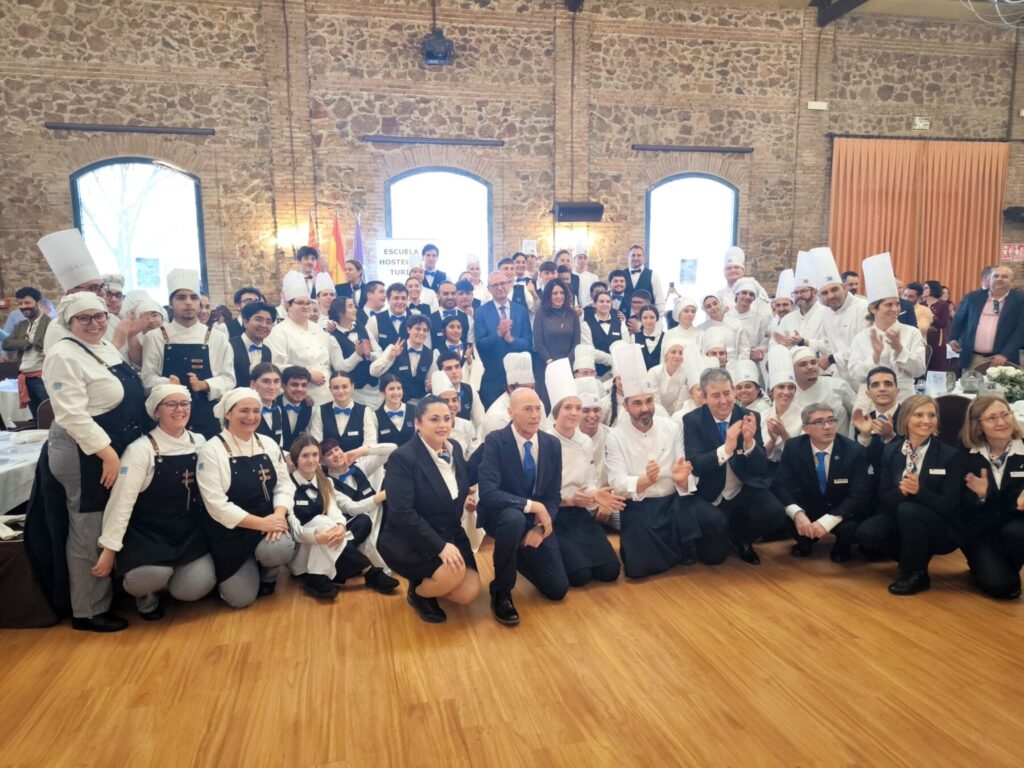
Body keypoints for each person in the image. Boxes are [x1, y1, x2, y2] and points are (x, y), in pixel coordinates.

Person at [42, 292, 152, 632]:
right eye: (84, 318)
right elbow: (72, 415)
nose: (95, 324)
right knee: (88, 524)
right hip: (83, 451)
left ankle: (109, 592)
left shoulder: (101, 346)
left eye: (100, 316)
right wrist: (106, 454)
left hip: (111, 446)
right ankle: (87, 610)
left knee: (108, 518)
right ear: (69, 323)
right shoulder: (62, 354)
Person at [605, 344, 727, 578]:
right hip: (641, 504)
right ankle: (678, 549)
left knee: (716, 523)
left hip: (675, 502)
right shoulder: (615, 436)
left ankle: (681, 548)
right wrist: (644, 480)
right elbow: (617, 481)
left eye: (648, 401)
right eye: (637, 403)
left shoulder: (671, 427)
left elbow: (684, 470)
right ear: (626, 405)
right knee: (637, 568)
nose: (645, 409)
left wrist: (683, 479)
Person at [94, 384, 215, 620]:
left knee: (194, 588)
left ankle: (173, 580)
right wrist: (109, 549)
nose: (179, 409)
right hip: (149, 535)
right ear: (156, 411)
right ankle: (147, 599)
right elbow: (121, 502)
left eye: (184, 404)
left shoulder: (200, 442)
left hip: (189, 533)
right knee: (147, 577)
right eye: (171, 404)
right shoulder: (141, 450)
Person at [377, 396, 480, 622]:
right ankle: (419, 593)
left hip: (450, 532)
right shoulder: (403, 458)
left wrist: (464, 500)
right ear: (418, 423)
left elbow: (453, 489)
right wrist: (440, 547)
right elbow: (402, 513)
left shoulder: (455, 448)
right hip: (409, 538)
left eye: (447, 418)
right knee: (453, 574)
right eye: (434, 419)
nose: (443, 424)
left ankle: (433, 581)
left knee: (469, 592)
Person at [473, 388, 569, 625]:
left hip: (535, 522)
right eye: (527, 409)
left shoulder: (551, 444)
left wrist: (540, 529)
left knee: (557, 589)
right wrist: (533, 506)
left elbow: (553, 495)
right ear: (511, 412)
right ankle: (501, 591)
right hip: (502, 516)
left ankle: (516, 553)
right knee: (513, 520)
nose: (535, 415)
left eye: (538, 408)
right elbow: (489, 493)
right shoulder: (495, 441)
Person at [196, 388, 297, 607]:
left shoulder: (268, 444)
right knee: (240, 600)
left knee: (279, 549)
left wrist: (278, 517)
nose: (251, 417)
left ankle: (267, 572)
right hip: (230, 531)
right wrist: (261, 523)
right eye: (244, 411)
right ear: (228, 414)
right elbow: (216, 504)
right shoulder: (212, 450)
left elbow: (284, 485)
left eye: (256, 411)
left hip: (267, 525)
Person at [856, 395, 964, 595]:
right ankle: (913, 555)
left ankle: (916, 573)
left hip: (940, 526)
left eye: (932, 415)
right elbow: (884, 497)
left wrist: (919, 492)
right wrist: (902, 491)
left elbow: (950, 506)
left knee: (909, 509)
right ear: (905, 418)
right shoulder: (891, 450)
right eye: (919, 415)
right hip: (902, 517)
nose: (927, 420)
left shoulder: (950, 455)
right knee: (867, 533)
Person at [682, 368, 788, 565]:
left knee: (774, 513)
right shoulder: (692, 420)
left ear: (734, 392)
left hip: (742, 488)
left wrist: (749, 444)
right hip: (710, 494)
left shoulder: (748, 415)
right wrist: (727, 447)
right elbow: (696, 464)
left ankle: (743, 539)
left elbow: (760, 468)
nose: (723, 401)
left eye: (727, 393)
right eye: (715, 395)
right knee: (713, 558)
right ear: (704, 397)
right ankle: (718, 534)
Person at [286, 435, 398, 599]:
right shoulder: (287, 485)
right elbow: (295, 530)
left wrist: (340, 526)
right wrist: (317, 537)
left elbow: (334, 512)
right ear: (296, 458)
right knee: (321, 521)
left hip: (325, 544)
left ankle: (317, 578)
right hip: (303, 549)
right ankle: (370, 572)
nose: (311, 460)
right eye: (305, 456)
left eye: (314, 455)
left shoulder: (325, 483)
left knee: (355, 521)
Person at [544, 361, 623, 588]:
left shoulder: (584, 441)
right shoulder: (544, 442)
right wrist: (569, 500)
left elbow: (589, 482)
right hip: (554, 515)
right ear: (556, 411)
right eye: (568, 407)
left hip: (579, 514)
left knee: (610, 571)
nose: (574, 413)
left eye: (577, 408)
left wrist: (595, 494)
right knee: (579, 576)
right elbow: (538, 493)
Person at [142, 269, 235, 438]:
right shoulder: (155, 337)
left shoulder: (217, 338)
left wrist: (205, 385)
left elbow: (229, 379)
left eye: (193, 297)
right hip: (168, 419)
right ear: (171, 303)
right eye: (181, 297)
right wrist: (168, 383)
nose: (188, 302)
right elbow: (147, 379)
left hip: (207, 417)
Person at [773, 403, 871, 562]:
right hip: (809, 507)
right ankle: (805, 541)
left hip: (841, 509)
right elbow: (780, 484)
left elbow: (860, 494)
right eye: (819, 422)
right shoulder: (794, 447)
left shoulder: (853, 450)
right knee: (782, 512)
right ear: (806, 428)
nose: (827, 427)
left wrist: (829, 520)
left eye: (831, 420)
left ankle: (842, 546)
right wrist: (797, 513)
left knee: (850, 527)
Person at [960, 395, 1024, 600]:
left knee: (1017, 532)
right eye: (992, 418)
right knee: (1002, 588)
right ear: (978, 425)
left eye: (1005, 415)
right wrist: (981, 497)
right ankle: (990, 568)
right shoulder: (965, 456)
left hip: (1014, 527)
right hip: (981, 531)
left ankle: (1005, 567)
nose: (1002, 422)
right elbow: (960, 506)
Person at [847, 254, 926, 405]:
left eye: (897, 304)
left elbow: (919, 371)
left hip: (903, 400)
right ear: (873, 309)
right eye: (889, 305)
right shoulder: (862, 337)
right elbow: (855, 375)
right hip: (869, 403)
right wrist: (875, 356)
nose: (895, 309)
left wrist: (899, 350)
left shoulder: (911, 333)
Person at [266, 271, 333, 405]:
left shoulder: (319, 330)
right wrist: (307, 374)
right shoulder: (278, 332)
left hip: (326, 395)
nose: (306, 306)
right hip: (298, 396)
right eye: (300, 303)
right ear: (288, 305)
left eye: (308, 303)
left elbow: (327, 363)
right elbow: (276, 366)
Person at [949, 264, 1024, 370]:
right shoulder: (972, 297)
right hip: (972, 359)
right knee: (969, 387)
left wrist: (1005, 354)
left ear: (1012, 280)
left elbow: (1021, 330)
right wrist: (953, 338)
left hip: (1003, 360)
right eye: (996, 276)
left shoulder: (1020, 300)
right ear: (990, 278)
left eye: (1004, 276)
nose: (999, 279)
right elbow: (959, 320)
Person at [812, 247, 868, 387]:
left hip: (864, 378)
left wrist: (832, 358)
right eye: (824, 293)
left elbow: (863, 346)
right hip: (840, 378)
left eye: (834, 289)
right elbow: (827, 344)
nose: (830, 296)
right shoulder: (826, 313)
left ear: (844, 287)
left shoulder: (863, 308)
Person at [476, 270, 533, 408]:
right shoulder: (481, 312)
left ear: (509, 285)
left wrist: (511, 339)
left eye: (502, 283)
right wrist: (498, 334)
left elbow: (528, 343)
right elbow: (481, 345)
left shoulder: (521, 311)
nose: (499, 287)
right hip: (493, 377)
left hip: (519, 378)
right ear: (489, 289)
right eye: (495, 285)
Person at [2, 286, 51, 422]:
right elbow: (7, 344)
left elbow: (51, 346)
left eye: (27, 303)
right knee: (37, 419)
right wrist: (27, 342)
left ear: (38, 302)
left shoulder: (50, 324)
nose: (23, 306)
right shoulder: (22, 325)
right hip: (25, 377)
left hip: (42, 377)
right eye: (20, 303)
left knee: (51, 417)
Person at [326, 295, 380, 409]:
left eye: (354, 306)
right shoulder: (333, 338)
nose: (355, 309)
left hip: (374, 389)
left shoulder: (362, 327)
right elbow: (339, 368)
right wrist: (357, 355)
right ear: (340, 311)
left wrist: (369, 355)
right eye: (350, 306)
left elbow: (379, 352)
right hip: (353, 392)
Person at [851, 366, 901, 483]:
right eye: (875, 385)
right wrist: (864, 436)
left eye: (888, 384)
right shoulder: (864, 420)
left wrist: (891, 437)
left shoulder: (909, 417)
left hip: (903, 482)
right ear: (868, 393)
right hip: (872, 484)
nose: (882, 389)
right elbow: (859, 461)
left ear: (897, 391)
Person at [791, 347, 855, 437]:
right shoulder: (789, 394)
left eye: (813, 362)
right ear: (793, 370)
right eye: (803, 364)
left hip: (842, 448)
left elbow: (859, 414)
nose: (810, 367)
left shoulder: (838, 385)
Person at [773, 252, 826, 354]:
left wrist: (805, 342)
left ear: (814, 292)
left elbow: (831, 346)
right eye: (796, 293)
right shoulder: (788, 319)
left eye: (803, 291)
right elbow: (776, 343)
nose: (799, 295)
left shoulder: (826, 314)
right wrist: (781, 344)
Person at [369, 315, 432, 400]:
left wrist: (429, 386)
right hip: (394, 402)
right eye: (417, 329)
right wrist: (389, 357)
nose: (421, 333)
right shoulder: (393, 348)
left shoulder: (430, 354)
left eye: (425, 330)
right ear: (408, 329)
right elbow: (373, 372)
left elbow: (429, 383)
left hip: (419, 405)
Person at [309, 370, 376, 450]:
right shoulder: (320, 411)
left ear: (352, 387)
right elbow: (316, 444)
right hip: (328, 462)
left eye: (344, 387)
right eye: (336, 387)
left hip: (359, 461)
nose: (340, 391)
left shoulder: (365, 411)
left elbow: (370, 444)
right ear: (330, 389)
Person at [761, 346, 801, 465]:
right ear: (771, 391)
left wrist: (783, 433)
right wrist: (773, 440)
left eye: (791, 387)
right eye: (781, 387)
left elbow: (802, 454)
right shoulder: (763, 416)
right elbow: (761, 456)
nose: (786, 392)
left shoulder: (804, 416)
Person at [228, 301, 275, 392]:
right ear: (245, 322)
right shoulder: (229, 346)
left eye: (268, 322)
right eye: (258, 319)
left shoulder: (267, 351)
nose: (264, 325)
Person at [533, 279, 581, 366]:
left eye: (562, 293)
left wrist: (568, 362)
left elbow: (576, 343)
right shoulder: (540, 314)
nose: (559, 296)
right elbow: (538, 342)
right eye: (555, 293)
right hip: (547, 364)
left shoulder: (572, 314)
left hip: (569, 364)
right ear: (548, 295)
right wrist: (550, 361)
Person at [726, 278, 772, 363]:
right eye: (744, 293)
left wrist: (759, 351)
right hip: (729, 362)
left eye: (751, 294)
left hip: (751, 363)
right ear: (737, 294)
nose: (747, 297)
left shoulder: (760, 319)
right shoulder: (726, 317)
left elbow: (765, 341)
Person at [580, 291, 624, 377]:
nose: (605, 304)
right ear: (594, 304)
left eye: (608, 302)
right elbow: (590, 351)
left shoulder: (621, 323)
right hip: (596, 374)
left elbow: (625, 346)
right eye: (601, 301)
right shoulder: (585, 325)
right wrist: (612, 359)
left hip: (618, 374)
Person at [374, 374, 416, 446]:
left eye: (399, 388)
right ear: (383, 392)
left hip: (412, 456)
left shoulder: (414, 410)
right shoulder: (375, 416)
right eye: (391, 389)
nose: (396, 392)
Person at [648, 340, 688, 414]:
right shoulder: (654, 372)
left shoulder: (686, 374)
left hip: (677, 414)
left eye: (681, 353)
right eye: (673, 352)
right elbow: (655, 400)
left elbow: (681, 401)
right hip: (655, 412)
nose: (677, 356)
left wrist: (674, 418)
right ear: (666, 355)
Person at [279, 365, 313, 450]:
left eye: (304, 385)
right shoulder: (273, 405)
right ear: (283, 386)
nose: (300, 389)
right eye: (295, 384)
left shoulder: (308, 405)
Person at [623, 244, 664, 314]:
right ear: (629, 257)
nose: (636, 258)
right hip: (624, 319)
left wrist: (658, 320)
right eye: (633, 255)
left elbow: (659, 300)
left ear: (644, 257)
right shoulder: (621, 274)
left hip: (646, 319)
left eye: (639, 255)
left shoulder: (653, 275)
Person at [250, 362, 284, 446]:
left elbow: (279, 445)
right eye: (266, 381)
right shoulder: (245, 412)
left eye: (276, 381)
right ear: (253, 385)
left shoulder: (277, 410)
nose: (272, 387)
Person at [920, 280, 950, 372]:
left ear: (933, 289)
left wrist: (931, 316)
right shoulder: (921, 304)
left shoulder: (942, 305)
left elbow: (943, 324)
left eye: (926, 288)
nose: (923, 290)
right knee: (922, 365)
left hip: (937, 340)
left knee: (936, 366)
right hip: (922, 339)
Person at [633, 304, 663, 370]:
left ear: (657, 318)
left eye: (652, 317)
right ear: (640, 319)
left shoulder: (665, 337)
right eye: (645, 318)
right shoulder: (633, 338)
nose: (648, 321)